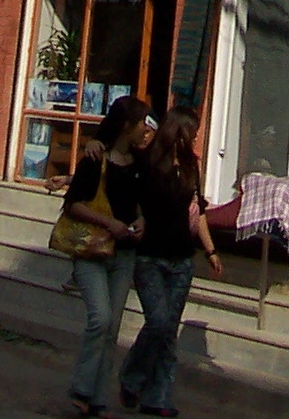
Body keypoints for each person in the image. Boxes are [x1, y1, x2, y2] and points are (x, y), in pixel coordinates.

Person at [119, 109, 222, 419]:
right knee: (158, 322)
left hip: (181, 258)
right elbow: (124, 186)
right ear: (178, 131)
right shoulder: (149, 162)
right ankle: (132, 376)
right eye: (193, 130)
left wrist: (211, 250)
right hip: (150, 256)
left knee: (168, 332)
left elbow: (199, 211)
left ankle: (158, 397)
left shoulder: (192, 166)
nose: (196, 136)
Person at [62, 97, 152, 418]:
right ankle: (81, 388)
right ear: (126, 125)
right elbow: (73, 204)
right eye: (142, 121)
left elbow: (140, 203)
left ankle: (97, 398)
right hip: (91, 251)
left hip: (124, 253)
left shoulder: (139, 163)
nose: (146, 128)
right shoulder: (96, 156)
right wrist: (108, 223)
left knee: (112, 327)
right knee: (99, 317)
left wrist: (140, 221)